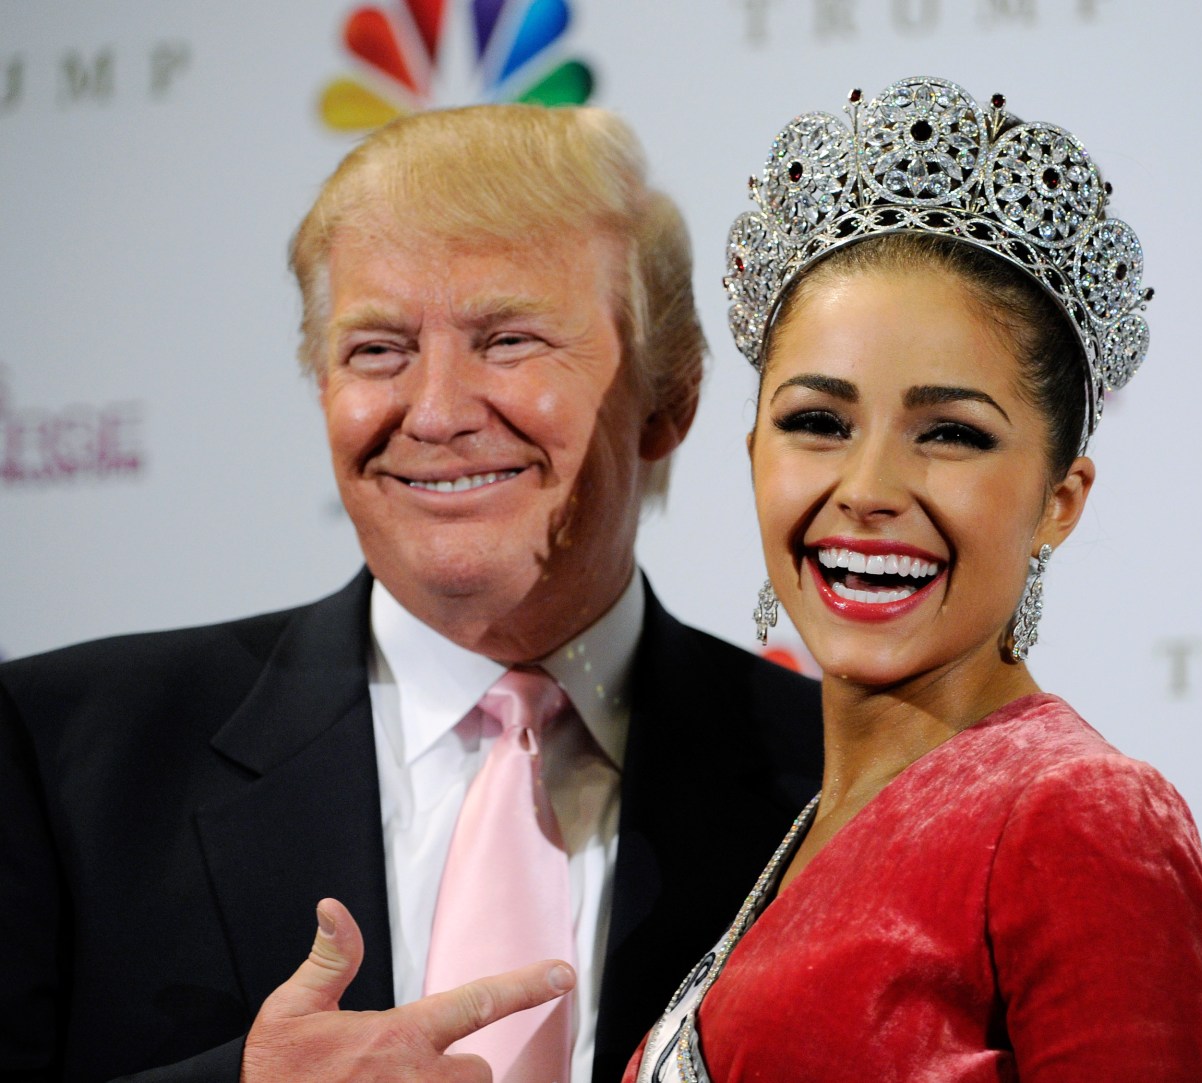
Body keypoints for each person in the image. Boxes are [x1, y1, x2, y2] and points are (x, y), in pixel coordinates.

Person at [0, 105, 821, 1083]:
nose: (434, 413)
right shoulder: (60, 758)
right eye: (378, 350)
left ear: (668, 399)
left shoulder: (838, 786)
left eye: (508, 340)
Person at [627, 76, 1202, 1081]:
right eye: (818, 423)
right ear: (754, 455)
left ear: (1060, 499)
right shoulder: (801, 830)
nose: (867, 490)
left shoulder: (1078, 816)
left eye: (950, 434)